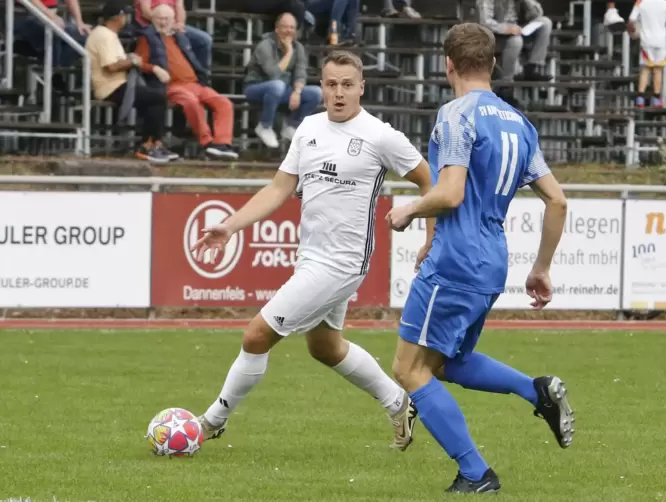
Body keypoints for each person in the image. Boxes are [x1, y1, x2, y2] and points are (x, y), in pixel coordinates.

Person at [191, 50, 433, 452]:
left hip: (343, 262)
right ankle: (398, 403)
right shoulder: (308, 128)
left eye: (347, 85)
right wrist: (230, 226)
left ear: (361, 88)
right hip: (312, 256)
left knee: (256, 336)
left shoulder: (380, 136)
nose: (338, 93)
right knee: (325, 347)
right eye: (331, 84)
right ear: (322, 86)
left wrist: (429, 235)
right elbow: (278, 189)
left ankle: (212, 422)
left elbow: (432, 184)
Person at [386, 22, 574, 493]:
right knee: (449, 362)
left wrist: (408, 210)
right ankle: (536, 390)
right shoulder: (519, 122)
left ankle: (475, 473)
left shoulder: (456, 114)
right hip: (491, 258)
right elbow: (557, 200)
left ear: (447, 65)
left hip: (456, 260)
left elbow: (449, 193)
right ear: (492, 64)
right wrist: (541, 267)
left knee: (409, 369)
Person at [135, 4, 238, 159]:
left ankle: (222, 144)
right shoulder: (147, 37)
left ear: (173, 20)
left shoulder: (180, 37)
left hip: (195, 83)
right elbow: (138, 62)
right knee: (191, 102)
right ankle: (207, 142)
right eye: (159, 19)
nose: (163, 22)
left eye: (166, 19)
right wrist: (155, 68)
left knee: (224, 103)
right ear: (152, 19)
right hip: (173, 85)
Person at [85, 0, 178, 163]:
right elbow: (111, 67)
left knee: (155, 97)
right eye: (125, 15)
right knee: (157, 98)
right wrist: (133, 61)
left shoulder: (108, 34)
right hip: (110, 87)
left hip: (118, 84)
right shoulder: (103, 35)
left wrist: (130, 59)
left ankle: (153, 143)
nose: (127, 19)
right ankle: (148, 146)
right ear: (118, 17)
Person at [244, 13, 323, 149]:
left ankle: (292, 126)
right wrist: (289, 53)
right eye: (285, 27)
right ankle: (264, 125)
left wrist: (297, 92)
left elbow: (300, 73)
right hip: (256, 87)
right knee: (277, 85)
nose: (289, 31)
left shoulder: (299, 47)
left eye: (292, 27)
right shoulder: (265, 45)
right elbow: (273, 74)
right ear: (276, 28)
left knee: (316, 93)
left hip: (281, 89)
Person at [133, 0, 213, 69]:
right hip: (151, 24)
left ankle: (200, 76)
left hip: (172, 25)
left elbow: (180, 7)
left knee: (205, 40)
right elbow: (145, 12)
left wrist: (180, 23)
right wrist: (167, 23)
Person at [628, 0, 666, 108]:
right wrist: (664, 29)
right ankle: (656, 98)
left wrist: (636, 30)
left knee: (645, 69)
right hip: (661, 41)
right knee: (657, 70)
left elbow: (631, 19)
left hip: (646, 41)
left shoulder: (640, 2)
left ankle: (640, 98)